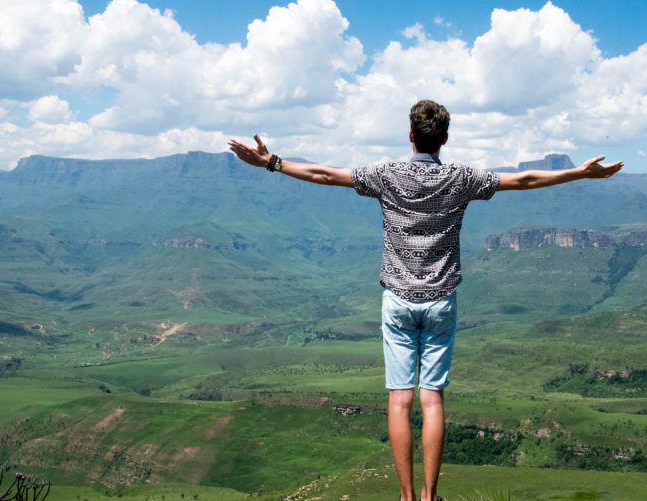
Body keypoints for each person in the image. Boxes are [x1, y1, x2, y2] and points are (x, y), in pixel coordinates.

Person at [228, 100, 622, 501]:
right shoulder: (461, 178)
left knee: (399, 400)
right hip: (440, 301)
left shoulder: (385, 175)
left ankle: (406, 497)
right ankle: (431, 496)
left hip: (397, 301)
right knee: (432, 400)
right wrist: (578, 173)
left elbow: (325, 174)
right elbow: (523, 180)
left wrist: (272, 162)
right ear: (445, 139)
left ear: (410, 136)